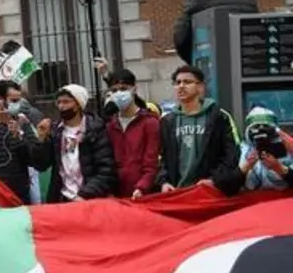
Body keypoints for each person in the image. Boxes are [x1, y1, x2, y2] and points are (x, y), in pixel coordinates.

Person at [156, 65, 243, 195]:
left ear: (200, 87)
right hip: (177, 193)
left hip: (209, 192)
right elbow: (159, 157)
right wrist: (163, 182)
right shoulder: (167, 121)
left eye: (187, 82)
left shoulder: (219, 117)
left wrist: (214, 180)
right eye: (177, 82)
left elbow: (232, 155)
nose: (181, 86)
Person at [34, 85, 116, 202]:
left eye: (66, 102)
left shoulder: (95, 129)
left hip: (88, 199)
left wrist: (84, 194)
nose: (61, 106)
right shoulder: (55, 131)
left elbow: (106, 171)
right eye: (59, 102)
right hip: (62, 198)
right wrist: (41, 140)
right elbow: (41, 165)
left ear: (78, 104)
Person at [172, 0, 259, 64]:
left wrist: (194, 61)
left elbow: (181, 37)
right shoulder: (249, 2)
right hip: (246, 62)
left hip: (212, 62)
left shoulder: (196, 1)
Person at [104, 69, 161, 199]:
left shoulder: (150, 123)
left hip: (144, 194)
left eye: (124, 88)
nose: (119, 94)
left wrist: (142, 187)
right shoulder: (110, 126)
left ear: (134, 89)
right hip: (116, 196)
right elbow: (107, 163)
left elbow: (151, 163)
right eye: (114, 90)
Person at [238, 106, 293, 191]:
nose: (260, 130)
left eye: (265, 127)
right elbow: (235, 183)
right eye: (256, 127)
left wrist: (279, 168)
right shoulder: (244, 150)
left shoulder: (286, 148)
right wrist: (248, 165)